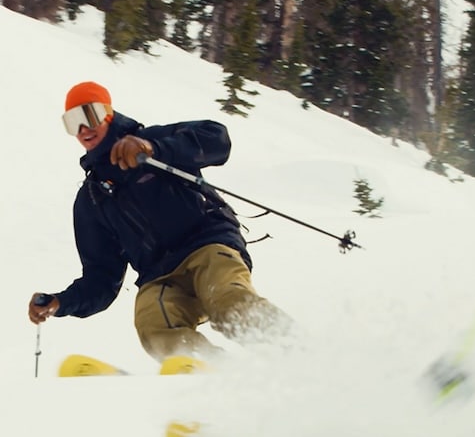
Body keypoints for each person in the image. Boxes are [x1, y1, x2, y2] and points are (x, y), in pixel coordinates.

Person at [28, 81, 291, 363]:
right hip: (159, 275)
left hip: (207, 246)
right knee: (153, 324)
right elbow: (102, 279)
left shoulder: (151, 141)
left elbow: (217, 139)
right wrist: (61, 302)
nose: (83, 129)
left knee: (228, 303)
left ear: (107, 113)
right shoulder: (91, 199)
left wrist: (155, 148)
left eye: (89, 116)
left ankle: (299, 353)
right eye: (72, 122)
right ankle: (220, 373)